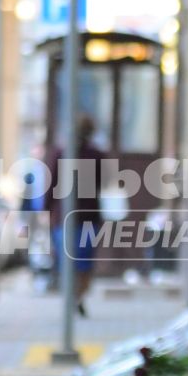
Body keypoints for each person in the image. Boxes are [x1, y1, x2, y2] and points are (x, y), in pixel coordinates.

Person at [50, 113, 106, 316]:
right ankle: (78, 296)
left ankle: (72, 297)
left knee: (68, 261)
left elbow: (51, 183)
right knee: (84, 262)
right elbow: (105, 183)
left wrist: (47, 211)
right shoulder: (96, 155)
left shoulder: (61, 153)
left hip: (64, 216)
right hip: (87, 216)